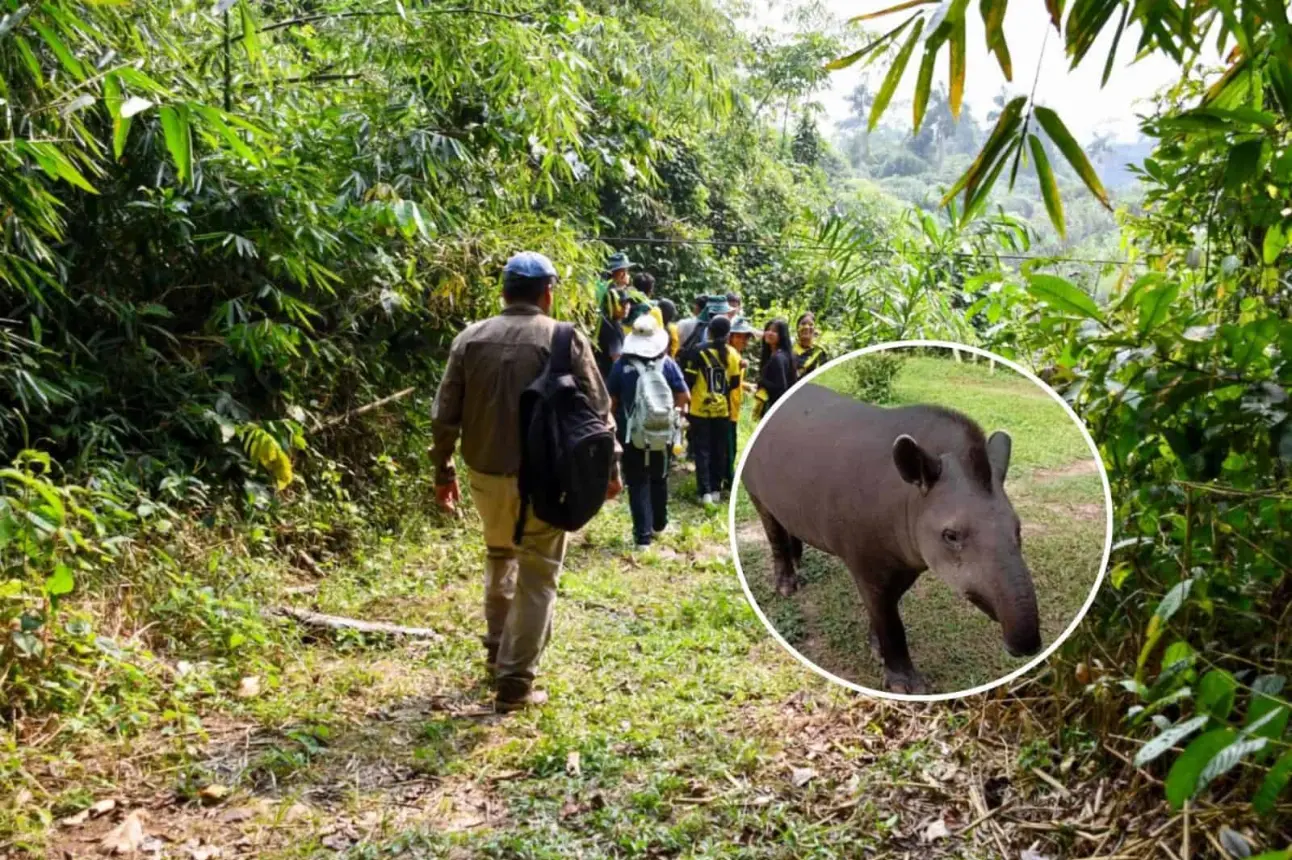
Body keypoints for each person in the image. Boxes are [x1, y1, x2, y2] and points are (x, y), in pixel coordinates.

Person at [430, 251, 621, 712]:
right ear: (547, 293)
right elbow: (598, 412)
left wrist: (443, 471)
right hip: (545, 479)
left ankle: (498, 652)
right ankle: (515, 681)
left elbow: (444, 416)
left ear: (503, 292)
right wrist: (611, 470)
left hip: (484, 475)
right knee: (537, 572)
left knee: (499, 556)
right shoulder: (563, 338)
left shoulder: (469, 338)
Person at [607, 315, 689, 551]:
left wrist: (613, 431)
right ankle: (659, 525)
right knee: (659, 477)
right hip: (662, 434)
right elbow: (685, 397)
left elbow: (610, 403)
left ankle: (642, 538)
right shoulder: (668, 364)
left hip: (631, 435)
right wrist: (675, 420)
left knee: (637, 482)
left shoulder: (621, 366)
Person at [682, 314, 740, 506]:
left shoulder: (698, 351)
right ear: (728, 333)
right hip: (722, 410)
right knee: (719, 450)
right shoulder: (733, 354)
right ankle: (716, 489)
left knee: (702, 450)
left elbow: (689, 381)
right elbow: (733, 384)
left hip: (700, 409)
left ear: (710, 331)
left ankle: (704, 491)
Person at [724, 315, 758, 492]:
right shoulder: (732, 355)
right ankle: (729, 480)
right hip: (728, 409)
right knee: (729, 448)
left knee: (730, 446)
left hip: (733, 408)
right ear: (732, 336)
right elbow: (728, 384)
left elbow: (734, 381)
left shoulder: (736, 355)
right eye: (740, 336)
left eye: (746, 337)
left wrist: (746, 386)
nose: (744, 340)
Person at [752, 318, 797, 421]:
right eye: (768, 329)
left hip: (775, 409)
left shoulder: (778, 358)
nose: (770, 333)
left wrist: (761, 382)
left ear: (782, 335)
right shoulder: (781, 354)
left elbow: (781, 387)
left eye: (775, 331)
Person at [595, 287, 631, 382]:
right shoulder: (612, 327)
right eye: (621, 303)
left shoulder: (603, 321)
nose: (626, 306)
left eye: (627, 303)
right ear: (610, 305)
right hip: (609, 377)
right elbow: (616, 358)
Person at [793, 311, 829, 377]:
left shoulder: (819, 352)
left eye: (811, 325)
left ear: (814, 329)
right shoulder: (789, 346)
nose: (806, 327)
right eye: (803, 324)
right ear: (797, 328)